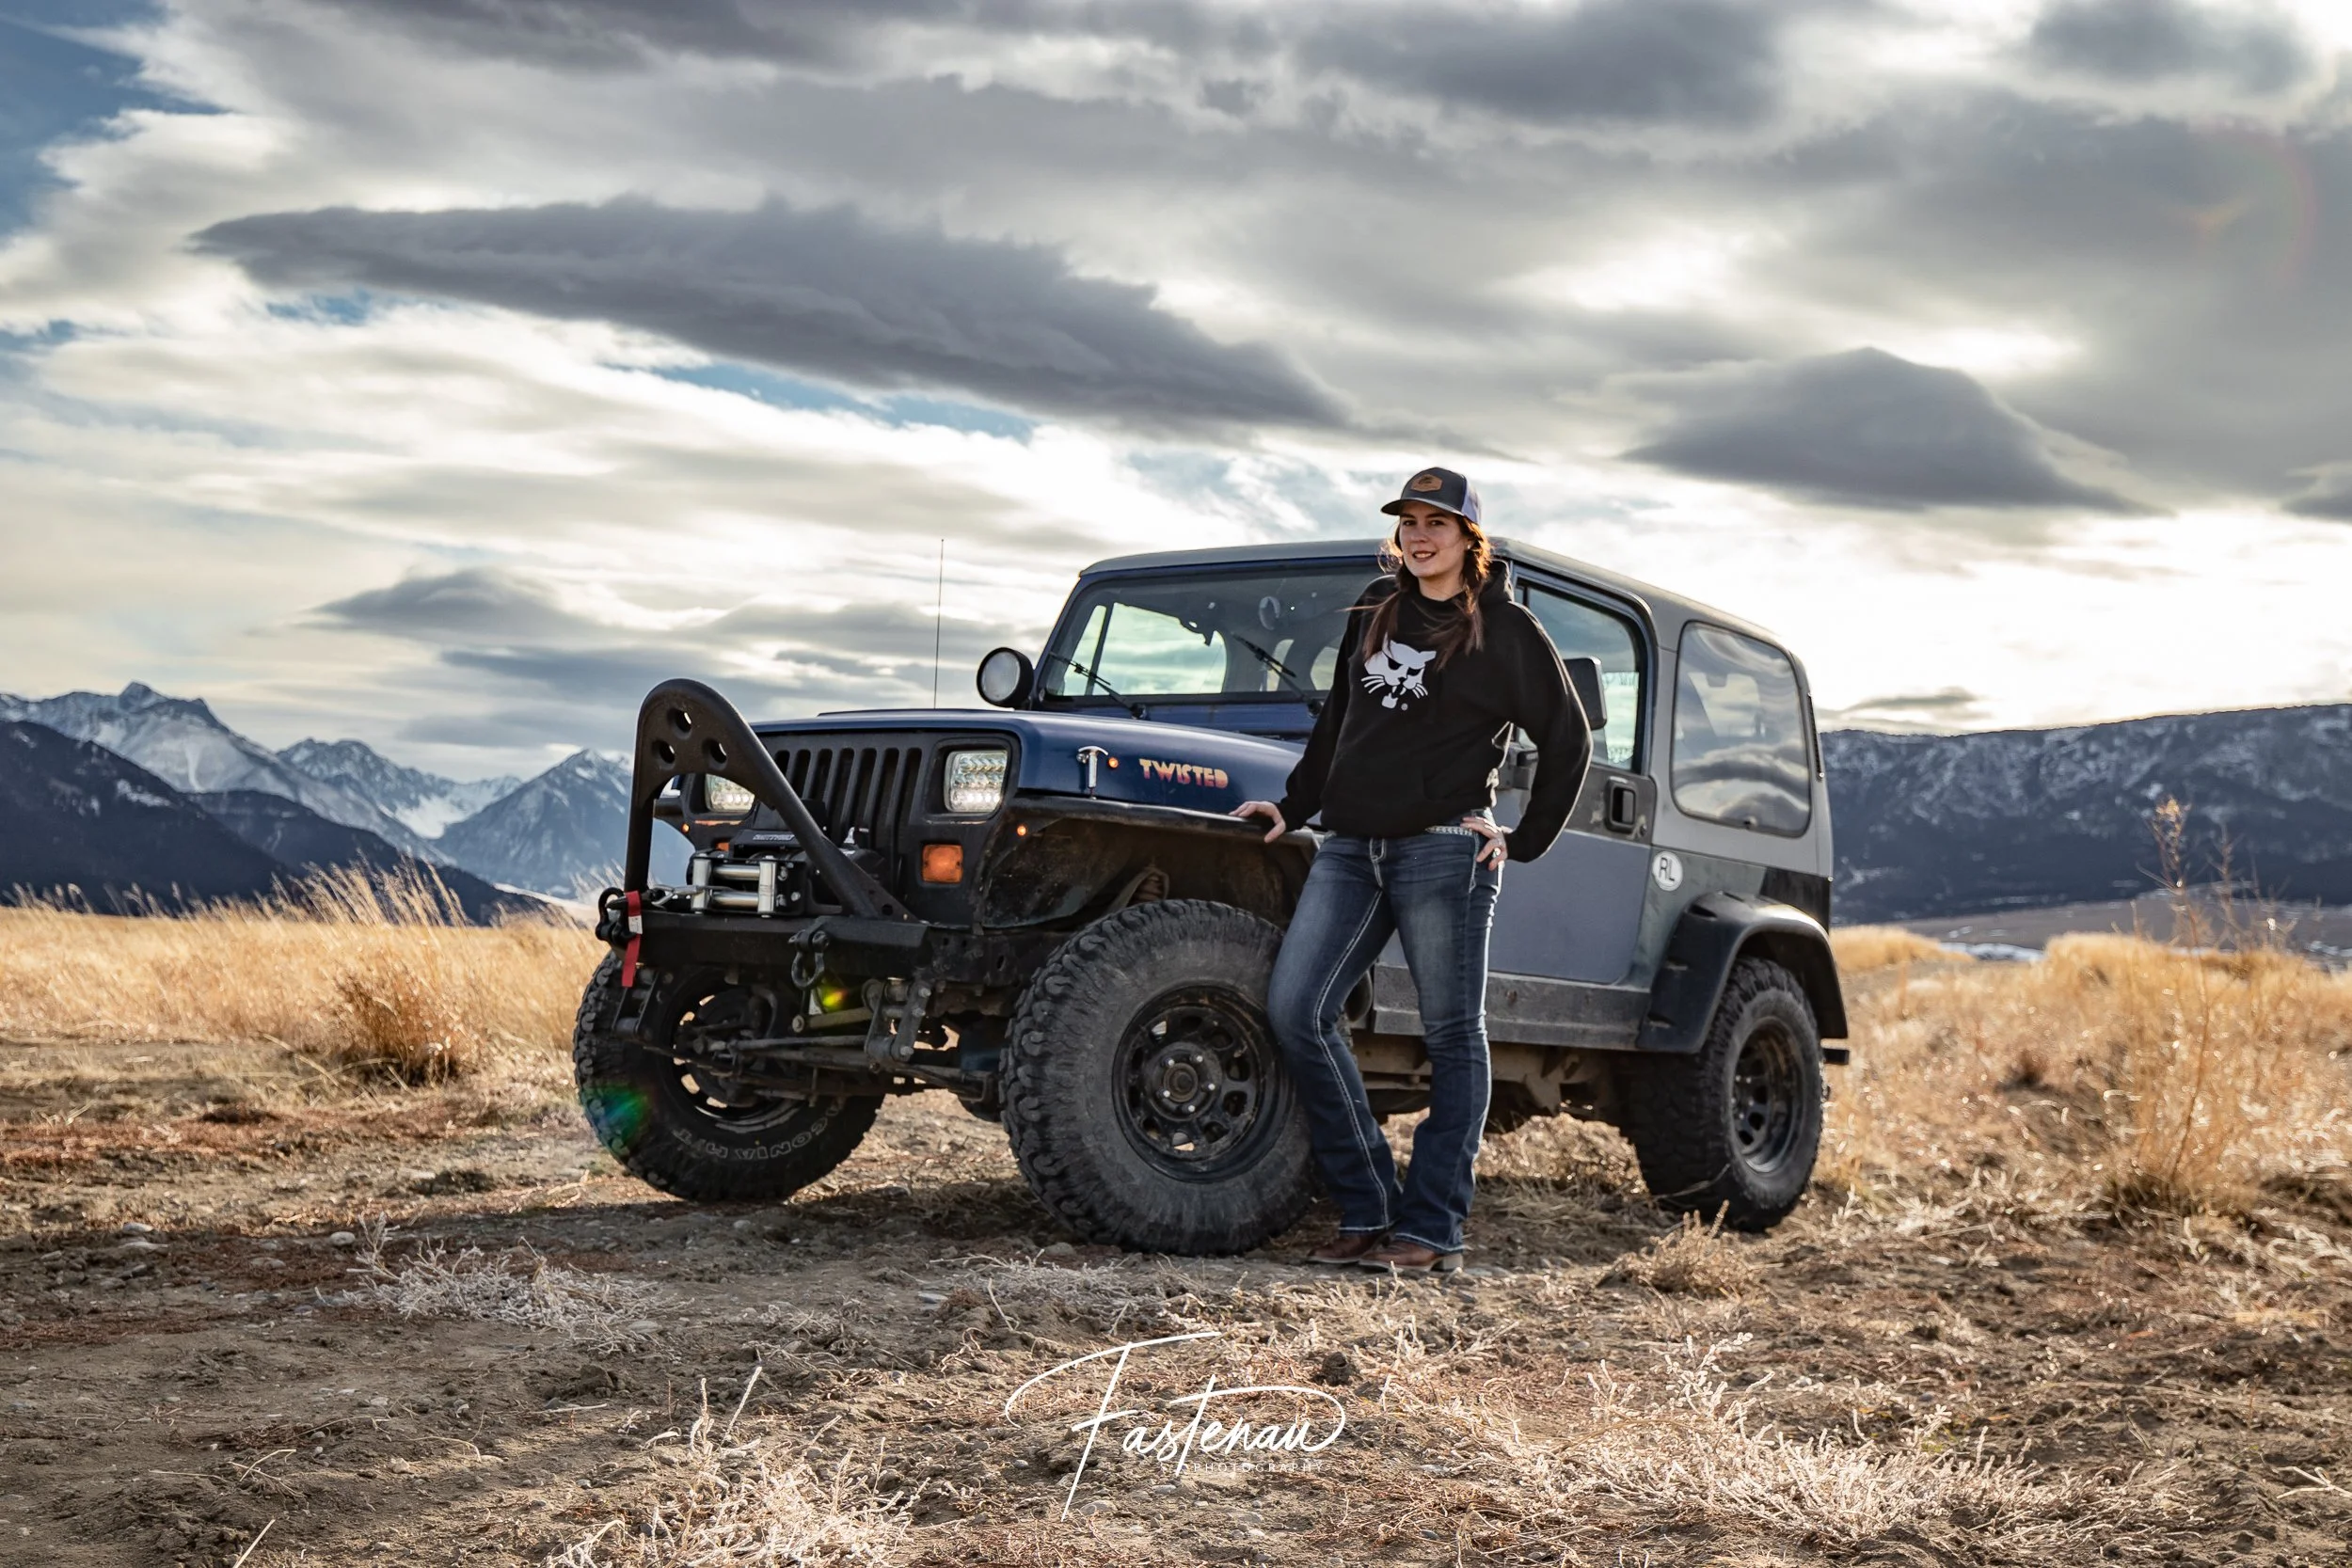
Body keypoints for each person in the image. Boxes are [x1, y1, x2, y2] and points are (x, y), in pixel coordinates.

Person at [1232, 467, 1590, 1274]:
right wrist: (1294, 805)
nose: (1421, 535)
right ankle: (1365, 1207)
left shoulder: (1507, 629)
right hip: (1352, 847)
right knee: (1298, 1009)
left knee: (1452, 1035)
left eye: (1439, 522)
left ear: (1470, 537)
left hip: (1442, 849)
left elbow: (1569, 739)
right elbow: (1337, 718)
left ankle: (1430, 1228)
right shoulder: (1375, 607)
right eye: (1410, 521)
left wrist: (1521, 838)